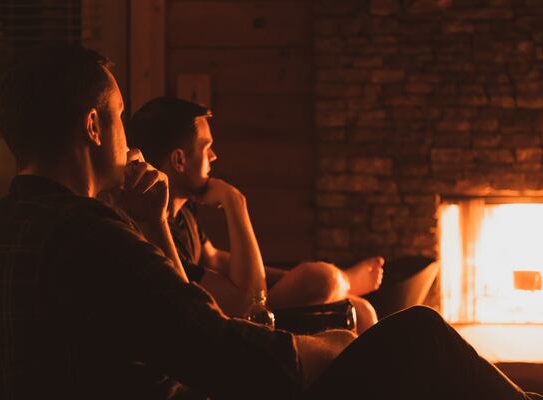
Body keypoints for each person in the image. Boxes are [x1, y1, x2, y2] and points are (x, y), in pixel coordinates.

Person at [0, 45, 543, 400]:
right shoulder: (91, 236)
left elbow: (177, 321)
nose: (129, 138)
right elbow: (217, 347)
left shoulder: (28, 222)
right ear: (93, 128)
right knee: (414, 335)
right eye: (121, 117)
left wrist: (152, 223)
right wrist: (324, 350)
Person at [125, 96, 383, 333]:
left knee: (361, 310)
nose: (214, 156)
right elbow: (249, 306)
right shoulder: (157, 234)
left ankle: (343, 283)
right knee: (322, 279)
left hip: (246, 310)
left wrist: (291, 280)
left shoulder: (183, 213)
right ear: (179, 160)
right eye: (206, 148)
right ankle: (344, 280)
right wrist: (235, 204)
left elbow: (216, 260)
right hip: (233, 330)